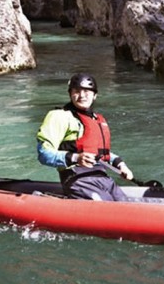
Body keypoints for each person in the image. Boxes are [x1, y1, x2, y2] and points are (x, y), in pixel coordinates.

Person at [36, 73, 134, 201]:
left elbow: (100, 153)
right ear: (70, 94)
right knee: (110, 210)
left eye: (87, 92)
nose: (82, 96)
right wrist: (76, 158)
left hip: (103, 178)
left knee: (125, 206)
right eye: (76, 91)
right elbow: (43, 154)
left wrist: (121, 165)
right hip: (78, 179)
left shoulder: (98, 120)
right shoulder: (59, 116)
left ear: (95, 96)